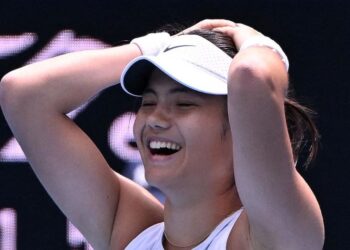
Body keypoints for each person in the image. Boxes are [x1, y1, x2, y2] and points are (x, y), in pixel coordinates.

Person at [0, 19, 324, 249]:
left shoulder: (274, 235)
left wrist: (256, 42)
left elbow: (252, 75)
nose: (155, 118)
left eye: (184, 103)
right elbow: (22, 94)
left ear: (241, 127)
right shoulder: (131, 233)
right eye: (148, 102)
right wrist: (156, 45)